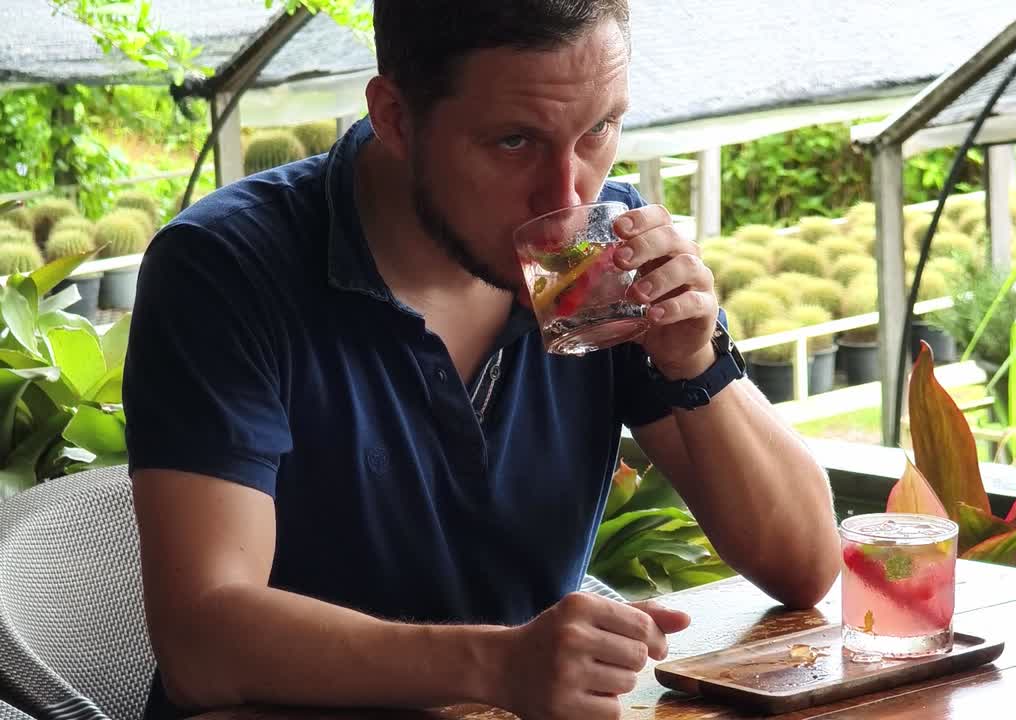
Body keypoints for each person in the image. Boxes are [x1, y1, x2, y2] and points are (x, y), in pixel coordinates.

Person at [122, 2, 840, 719]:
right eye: (513, 142)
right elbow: (200, 643)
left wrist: (697, 363)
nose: (567, 197)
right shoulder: (225, 269)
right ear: (397, 118)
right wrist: (496, 664)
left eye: (598, 129)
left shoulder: (601, 260)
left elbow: (804, 567)